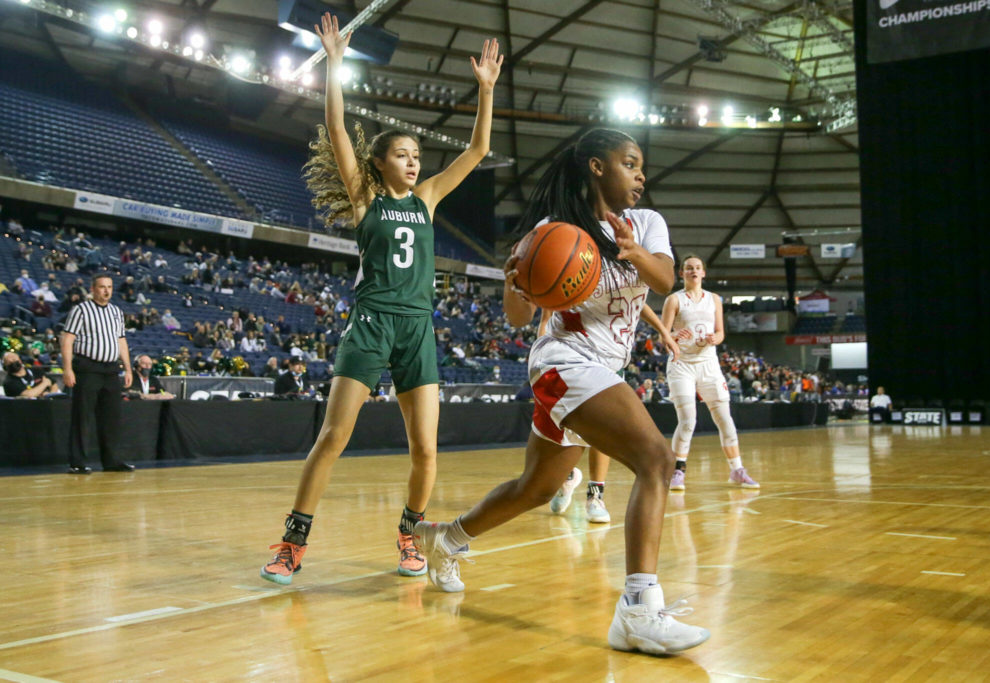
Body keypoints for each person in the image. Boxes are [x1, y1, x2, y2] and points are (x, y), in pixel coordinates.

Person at [413, 128, 710, 655]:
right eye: (629, 163)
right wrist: (514, 282)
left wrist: (633, 252)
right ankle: (638, 611)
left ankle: (446, 539)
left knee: (538, 488)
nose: (641, 175)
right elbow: (519, 316)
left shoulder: (646, 223)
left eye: (641, 166)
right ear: (597, 167)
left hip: (602, 371)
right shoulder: (553, 232)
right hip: (563, 362)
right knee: (657, 460)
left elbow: (664, 280)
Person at [259, 12, 503, 584]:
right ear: (379, 162)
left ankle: (410, 537)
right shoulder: (365, 198)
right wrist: (337, 66)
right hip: (371, 323)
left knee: (426, 450)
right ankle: (292, 544)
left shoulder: (428, 199)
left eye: (417, 154)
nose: (414, 160)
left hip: (417, 327)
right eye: (403, 154)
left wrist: (485, 90)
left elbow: (478, 148)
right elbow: (338, 130)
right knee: (333, 438)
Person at [541, 305, 678, 524]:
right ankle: (567, 476)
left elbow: (639, 302)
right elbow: (546, 316)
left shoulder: (616, 275)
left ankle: (596, 494)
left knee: (603, 428)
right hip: (569, 357)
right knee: (563, 427)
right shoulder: (569, 275)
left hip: (608, 357)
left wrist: (663, 330)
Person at [660, 255, 759, 491]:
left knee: (725, 419)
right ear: (681, 273)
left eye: (697, 268)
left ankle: (737, 469)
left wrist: (716, 338)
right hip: (681, 364)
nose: (693, 271)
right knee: (688, 421)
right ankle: (678, 471)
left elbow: (721, 332)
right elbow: (662, 338)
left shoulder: (714, 299)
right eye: (689, 268)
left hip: (708, 364)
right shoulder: (674, 300)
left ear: (704, 273)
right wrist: (673, 337)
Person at [61, 273, 135, 474]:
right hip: (87, 367)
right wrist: (67, 368)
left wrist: (128, 368)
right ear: (93, 289)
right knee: (83, 416)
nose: (106, 291)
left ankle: (112, 461)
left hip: (111, 369)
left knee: (112, 417)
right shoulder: (81, 310)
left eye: (109, 287)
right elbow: (67, 339)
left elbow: (121, 341)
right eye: (102, 287)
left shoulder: (117, 312)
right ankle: (78, 462)